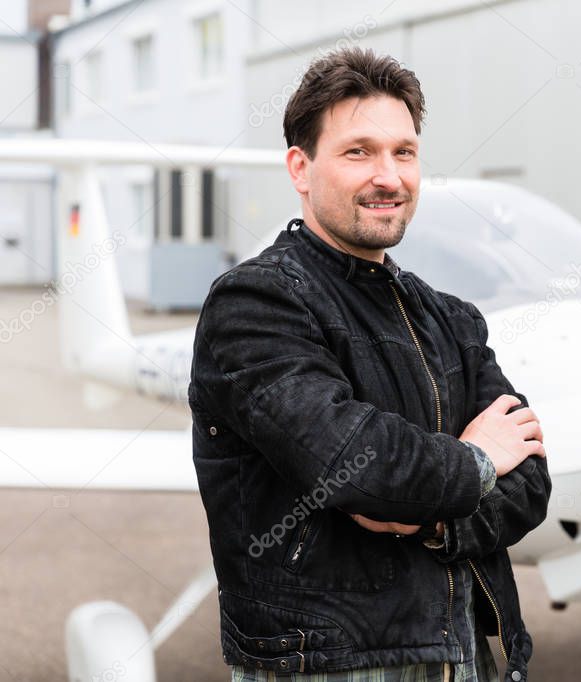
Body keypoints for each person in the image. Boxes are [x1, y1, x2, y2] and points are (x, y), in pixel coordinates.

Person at [188, 48, 551, 682]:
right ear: (301, 168)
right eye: (359, 151)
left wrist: (429, 515)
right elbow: (359, 470)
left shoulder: (452, 319)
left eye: (403, 152)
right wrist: (473, 462)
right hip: (331, 666)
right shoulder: (257, 304)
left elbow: (531, 485)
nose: (389, 176)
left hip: (465, 657)